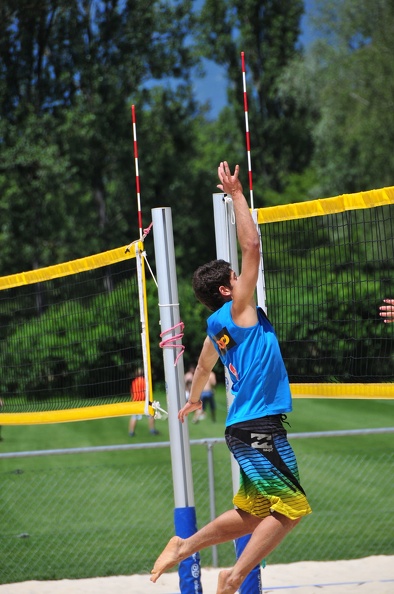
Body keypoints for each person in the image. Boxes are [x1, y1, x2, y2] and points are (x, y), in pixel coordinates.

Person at [150, 161, 312, 594]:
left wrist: (196, 397)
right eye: (237, 280)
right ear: (227, 290)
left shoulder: (218, 326)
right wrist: (237, 194)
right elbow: (252, 246)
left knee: (254, 513)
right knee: (292, 507)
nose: (245, 281)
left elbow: (203, 364)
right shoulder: (238, 310)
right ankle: (234, 576)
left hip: (243, 427)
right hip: (257, 427)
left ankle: (183, 547)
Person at [128, 369, 159, 437]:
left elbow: (132, 392)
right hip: (143, 401)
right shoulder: (144, 381)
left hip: (135, 401)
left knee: (134, 417)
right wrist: (150, 401)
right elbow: (146, 392)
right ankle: (152, 430)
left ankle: (131, 432)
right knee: (151, 414)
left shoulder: (134, 381)